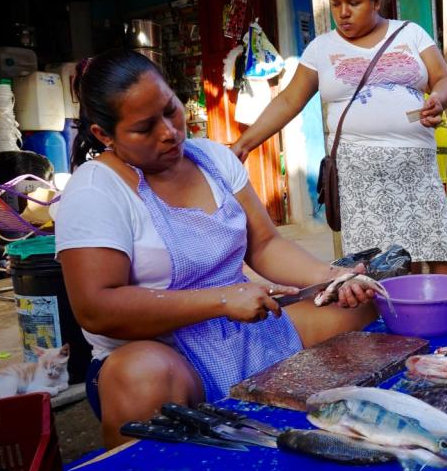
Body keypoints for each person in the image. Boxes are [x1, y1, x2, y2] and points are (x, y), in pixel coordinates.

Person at [55, 50, 380, 448]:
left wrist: (329, 277)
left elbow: (264, 244)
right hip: (169, 355)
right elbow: (95, 307)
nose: (169, 132)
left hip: (250, 327)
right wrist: (223, 299)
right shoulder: (95, 190)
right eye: (144, 128)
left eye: (170, 110)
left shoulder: (213, 158)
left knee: (365, 300)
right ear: (105, 135)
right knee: (140, 374)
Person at [231, 0, 447, 275]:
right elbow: (287, 101)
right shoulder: (321, 49)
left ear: (377, 1)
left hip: (414, 168)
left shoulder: (410, 34)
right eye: (336, 4)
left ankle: (442, 319)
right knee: (378, 268)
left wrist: (438, 98)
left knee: (440, 253)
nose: (343, 13)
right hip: (359, 173)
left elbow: (443, 79)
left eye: (353, 3)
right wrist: (244, 143)